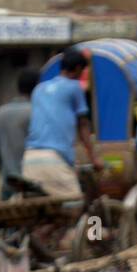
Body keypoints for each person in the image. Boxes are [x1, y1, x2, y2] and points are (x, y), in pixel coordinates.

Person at [22, 49, 102, 199]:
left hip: (29, 158)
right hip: (54, 160)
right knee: (75, 204)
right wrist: (94, 158)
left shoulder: (39, 89)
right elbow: (83, 125)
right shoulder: (74, 87)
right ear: (78, 69)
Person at [0, 69, 38, 198]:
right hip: (30, 182)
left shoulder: (0, 113)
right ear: (37, 88)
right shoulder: (36, 112)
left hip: (7, 180)